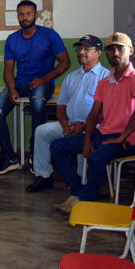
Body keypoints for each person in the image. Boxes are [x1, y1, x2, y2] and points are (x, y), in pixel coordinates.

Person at [51, 32, 135, 213]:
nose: (115, 53)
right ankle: (77, 191)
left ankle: (86, 199)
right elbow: (94, 114)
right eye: (111, 49)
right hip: (102, 134)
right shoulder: (105, 81)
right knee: (58, 147)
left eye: (120, 48)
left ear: (131, 51)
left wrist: (122, 138)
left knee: (96, 157)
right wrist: (87, 139)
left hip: (124, 140)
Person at [0, 0, 71, 174]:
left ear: (35, 15)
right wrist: (12, 89)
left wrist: (44, 79)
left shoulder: (49, 35)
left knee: (37, 104)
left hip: (43, 84)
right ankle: (9, 158)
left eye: (28, 13)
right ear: (17, 16)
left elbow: (65, 62)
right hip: (20, 84)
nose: (24, 17)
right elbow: (8, 70)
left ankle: (36, 156)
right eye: (21, 14)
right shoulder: (12, 39)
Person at [26, 35, 109, 192]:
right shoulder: (71, 77)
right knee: (41, 131)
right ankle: (44, 176)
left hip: (94, 127)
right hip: (69, 124)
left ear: (98, 53)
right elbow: (61, 105)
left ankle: (78, 181)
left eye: (86, 49)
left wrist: (84, 126)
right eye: (80, 49)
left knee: (82, 145)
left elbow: (107, 110)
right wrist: (64, 125)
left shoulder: (106, 77)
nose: (81, 52)